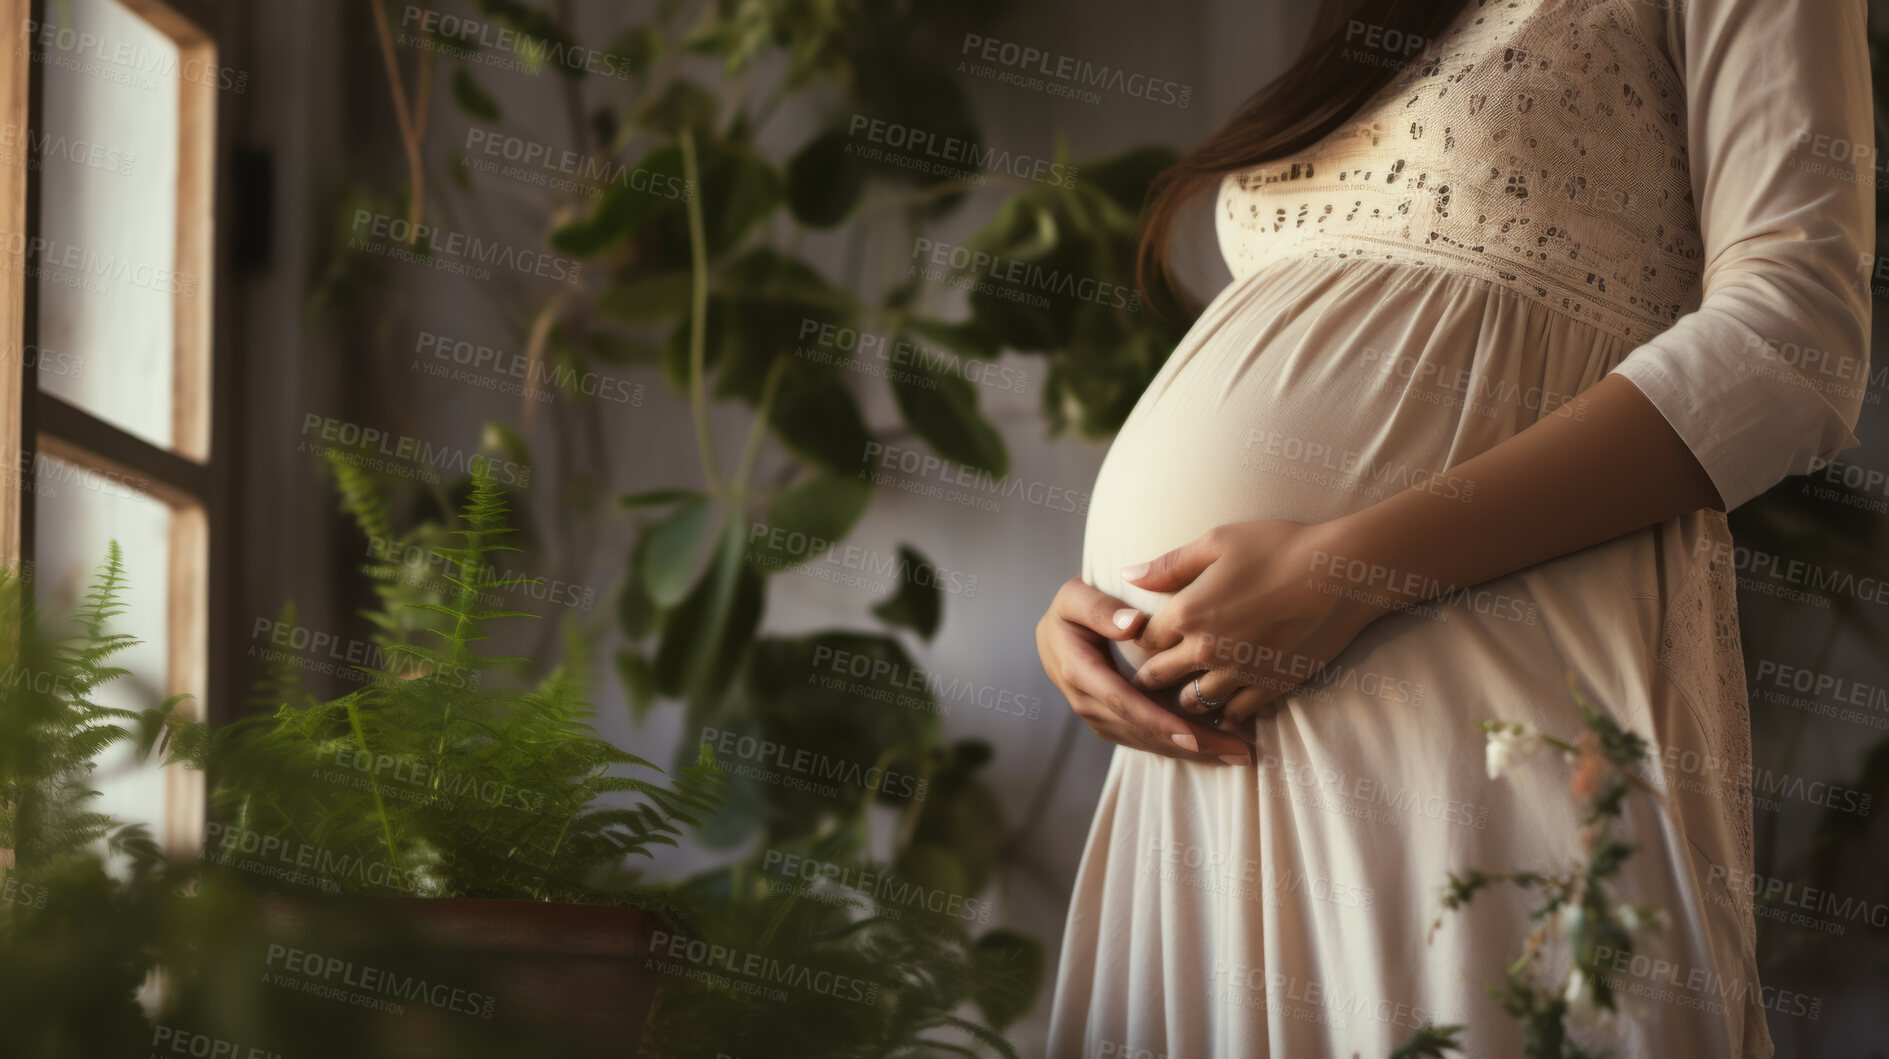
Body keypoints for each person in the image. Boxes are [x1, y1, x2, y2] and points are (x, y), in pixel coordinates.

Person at [1035, 0, 1873, 1054]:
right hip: (1202, 758)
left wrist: (1345, 572)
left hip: (1481, 709)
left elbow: (1789, 348)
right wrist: (1109, 618)